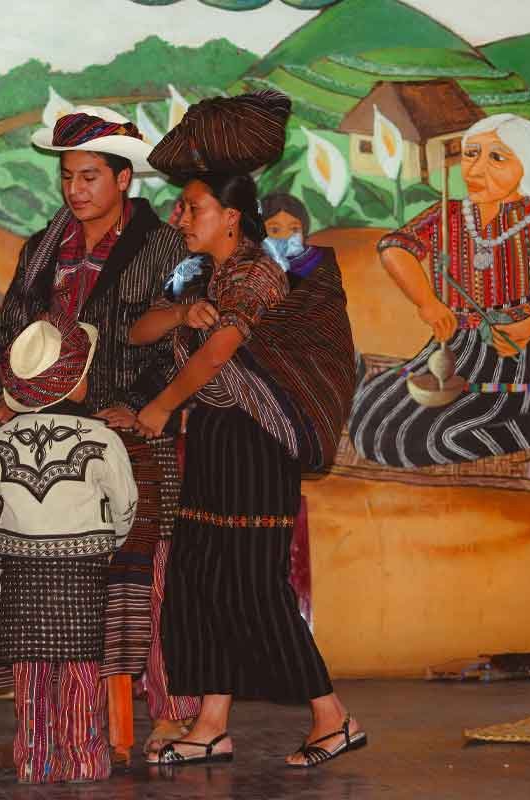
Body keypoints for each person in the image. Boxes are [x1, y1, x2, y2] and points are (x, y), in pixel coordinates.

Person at [0, 103, 200, 754]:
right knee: (52, 572)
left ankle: (172, 709)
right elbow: (10, 328)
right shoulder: (40, 249)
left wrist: (134, 403)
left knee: (156, 568)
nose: (74, 190)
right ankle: (60, 720)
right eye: (67, 177)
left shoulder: (167, 248)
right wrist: (6, 395)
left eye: (89, 177)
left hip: (135, 427)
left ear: (123, 179)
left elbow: (179, 337)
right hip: (53, 428)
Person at [131, 172, 362, 769]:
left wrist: (161, 406)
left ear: (231, 216)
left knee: (254, 583)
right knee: (201, 576)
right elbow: (139, 329)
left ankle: (333, 717)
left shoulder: (261, 270)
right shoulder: (195, 273)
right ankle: (211, 725)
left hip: (258, 439)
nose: (182, 218)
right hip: (213, 432)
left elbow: (219, 352)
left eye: (194, 208)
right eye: (181, 207)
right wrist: (182, 313)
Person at [348, 113, 530, 467]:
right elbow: (394, 248)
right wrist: (427, 303)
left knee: (435, 436)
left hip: (514, 354)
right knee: (370, 420)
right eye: (471, 154)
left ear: (526, 164)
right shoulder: (448, 215)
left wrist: (524, 328)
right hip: (454, 347)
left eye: (497, 157)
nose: (476, 170)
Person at [0, 317, 138, 783]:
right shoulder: (103, 440)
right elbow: (125, 506)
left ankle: (35, 761)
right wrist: (108, 544)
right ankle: (84, 760)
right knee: (82, 665)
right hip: (84, 568)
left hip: (19, 568)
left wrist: (9, 539)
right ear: (77, 384)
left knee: (29, 670)